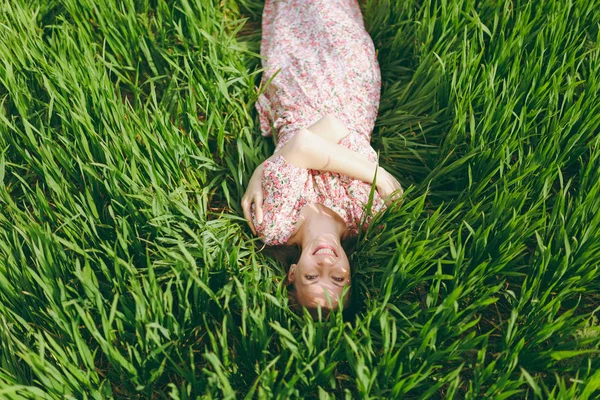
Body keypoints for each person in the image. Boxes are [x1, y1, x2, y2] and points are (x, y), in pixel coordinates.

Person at [241, 0, 403, 313]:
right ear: (351, 275)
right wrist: (279, 162)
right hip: (351, 84)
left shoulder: (275, 225)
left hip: (294, 84)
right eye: (338, 278)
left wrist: (378, 175)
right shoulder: (364, 215)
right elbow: (330, 128)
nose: (326, 261)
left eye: (313, 276)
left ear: (292, 275)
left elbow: (305, 142)